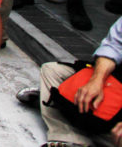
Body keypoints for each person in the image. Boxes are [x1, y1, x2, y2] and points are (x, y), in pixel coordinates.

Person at [17, 16, 122, 147]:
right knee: (52, 71)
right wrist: (96, 81)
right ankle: (71, 138)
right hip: (116, 88)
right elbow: (113, 47)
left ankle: (50, 102)